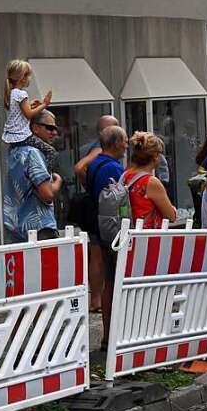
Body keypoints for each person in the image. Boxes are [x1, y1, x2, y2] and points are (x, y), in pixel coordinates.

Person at [84, 125, 128, 349]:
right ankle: (110, 336)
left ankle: (108, 335)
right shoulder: (112, 167)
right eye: (124, 141)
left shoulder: (94, 164)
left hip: (98, 225)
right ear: (115, 143)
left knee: (107, 281)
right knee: (112, 282)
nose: (127, 145)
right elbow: (115, 202)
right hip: (112, 230)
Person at [4, 110, 63, 243]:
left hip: (16, 228)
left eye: (55, 129)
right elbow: (47, 195)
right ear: (35, 128)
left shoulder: (15, 152)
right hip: (39, 229)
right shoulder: (33, 153)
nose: (54, 132)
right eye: (50, 128)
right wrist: (58, 182)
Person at [1, 59, 57, 172]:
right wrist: (44, 104)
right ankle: (45, 175)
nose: (30, 78)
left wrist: (31, 105)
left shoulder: (12, 92)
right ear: (23, 77)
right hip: (23, 136)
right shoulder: (22, 94)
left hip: (13, 137)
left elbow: (19, 111)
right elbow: (29, 115)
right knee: (51, 152)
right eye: (29, 75)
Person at [122, 132, 178, 229]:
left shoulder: (125, 175)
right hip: (147, 237)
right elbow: (171, 216)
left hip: (128, 234)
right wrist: (173, 209)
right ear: (155, 157)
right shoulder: (151, 182)